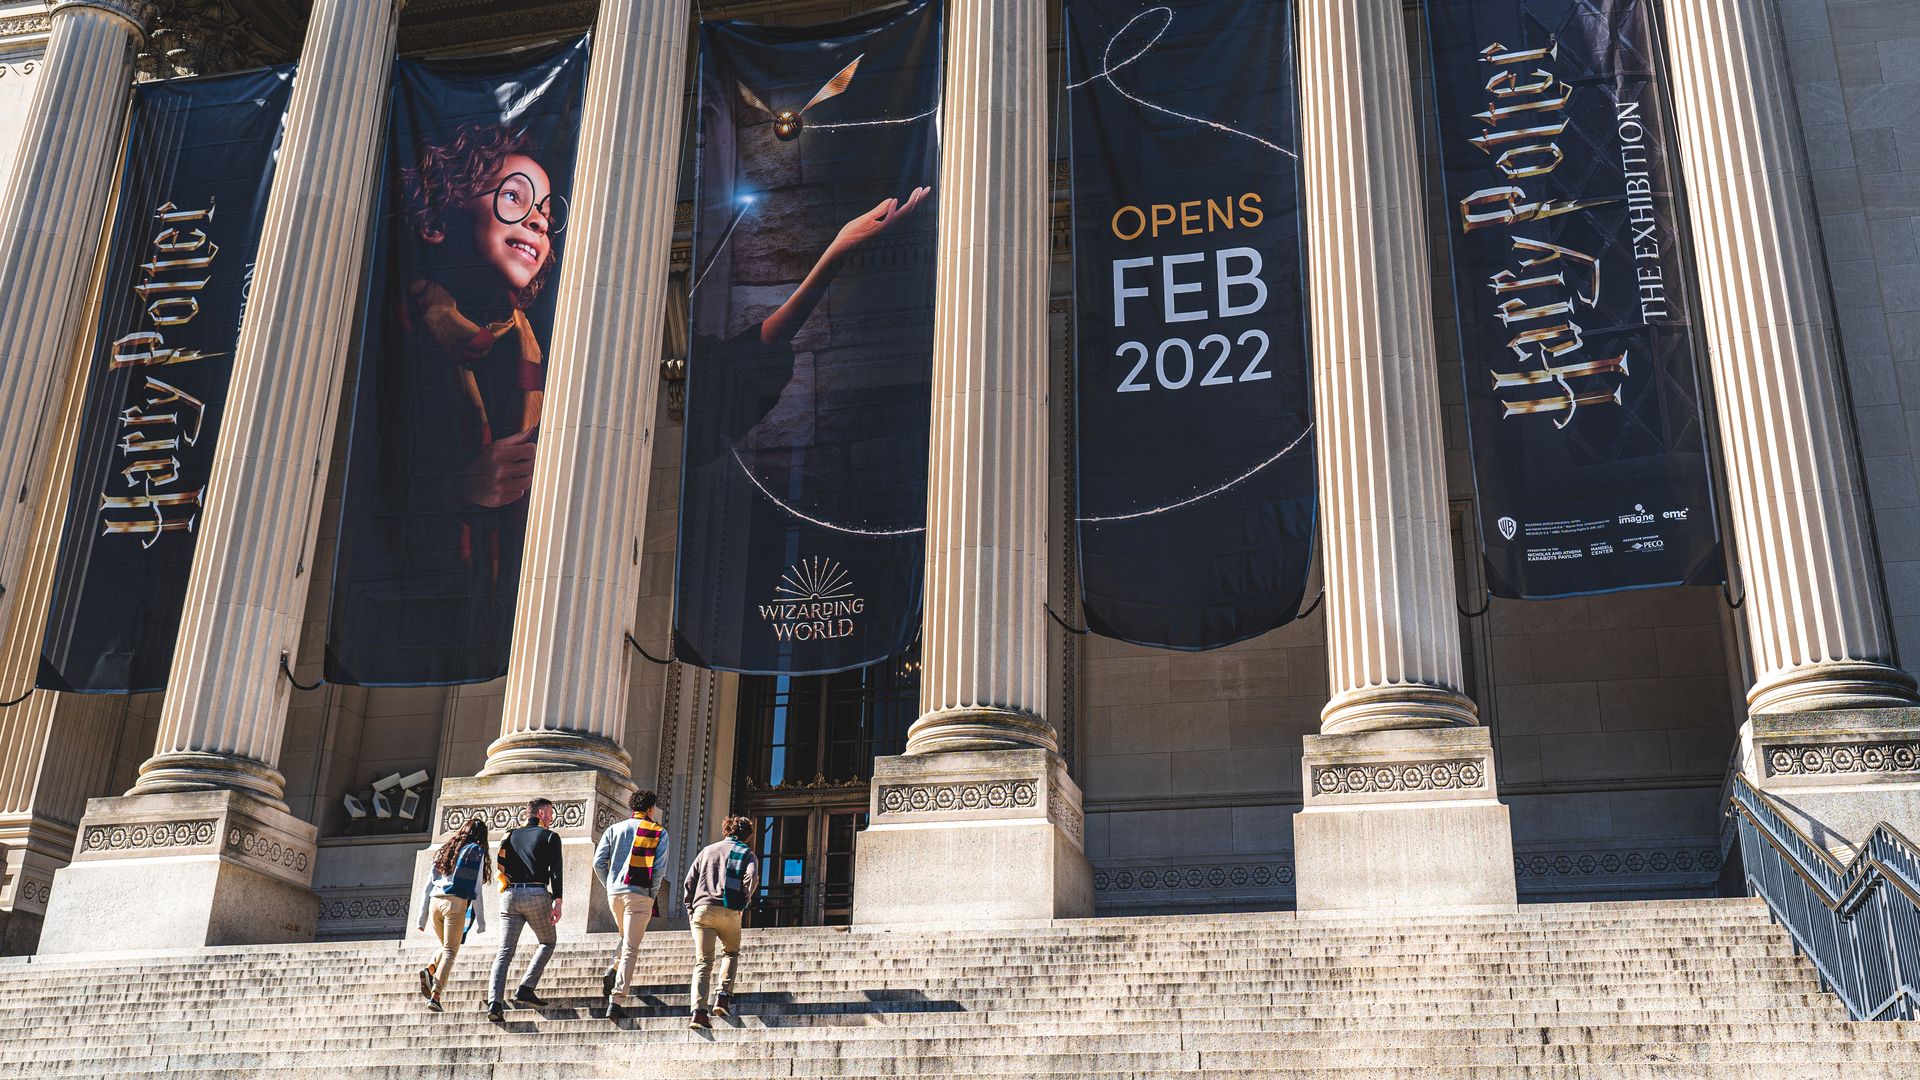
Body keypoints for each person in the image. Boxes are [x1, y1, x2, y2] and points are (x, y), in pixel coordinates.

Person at [592, 789, 669, 1020]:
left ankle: (613, 969)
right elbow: (659, 870)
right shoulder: (658, 831)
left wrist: (611, 886)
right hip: (640, 893)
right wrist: (651, 894)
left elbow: (598, 862)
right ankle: (616, 999)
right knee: (631, 948)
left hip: (615, 893)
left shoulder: (614, 829)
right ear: (650, 809)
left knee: (627, 939)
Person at [486, 797, 564, 1021]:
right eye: (549, 813)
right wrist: (557, 900)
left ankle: (494, 1003)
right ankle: (526, 987)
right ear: (540, 814)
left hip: (509, 895)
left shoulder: (509, 835)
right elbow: (556, 871)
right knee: (548, 942)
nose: (551, 817)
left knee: (504, 952)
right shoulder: (550, 836)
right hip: (536, 893)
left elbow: (500, 865)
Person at [683, 815, 758, 1030]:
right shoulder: (747, 854)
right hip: (729, 909)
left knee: (703, 962)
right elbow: (751, 878)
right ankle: (723, 997)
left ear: (726, 830)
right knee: (731, 952)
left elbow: (689, 883)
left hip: (702, 910)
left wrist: (691, 910)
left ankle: (698, 1013)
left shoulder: (707, 850)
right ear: (748, 835)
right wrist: (742, 901)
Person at [414, 817, 491, 1012]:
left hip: (435, 902)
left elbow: (427, 885)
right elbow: (476, 890)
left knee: (446, 946)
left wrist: (421, 918)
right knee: (450, 951)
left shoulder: (445, 851)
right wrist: (480, 921)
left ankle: (431, 969)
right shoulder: (476, 852)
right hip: (455, 904)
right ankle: (436, 996)